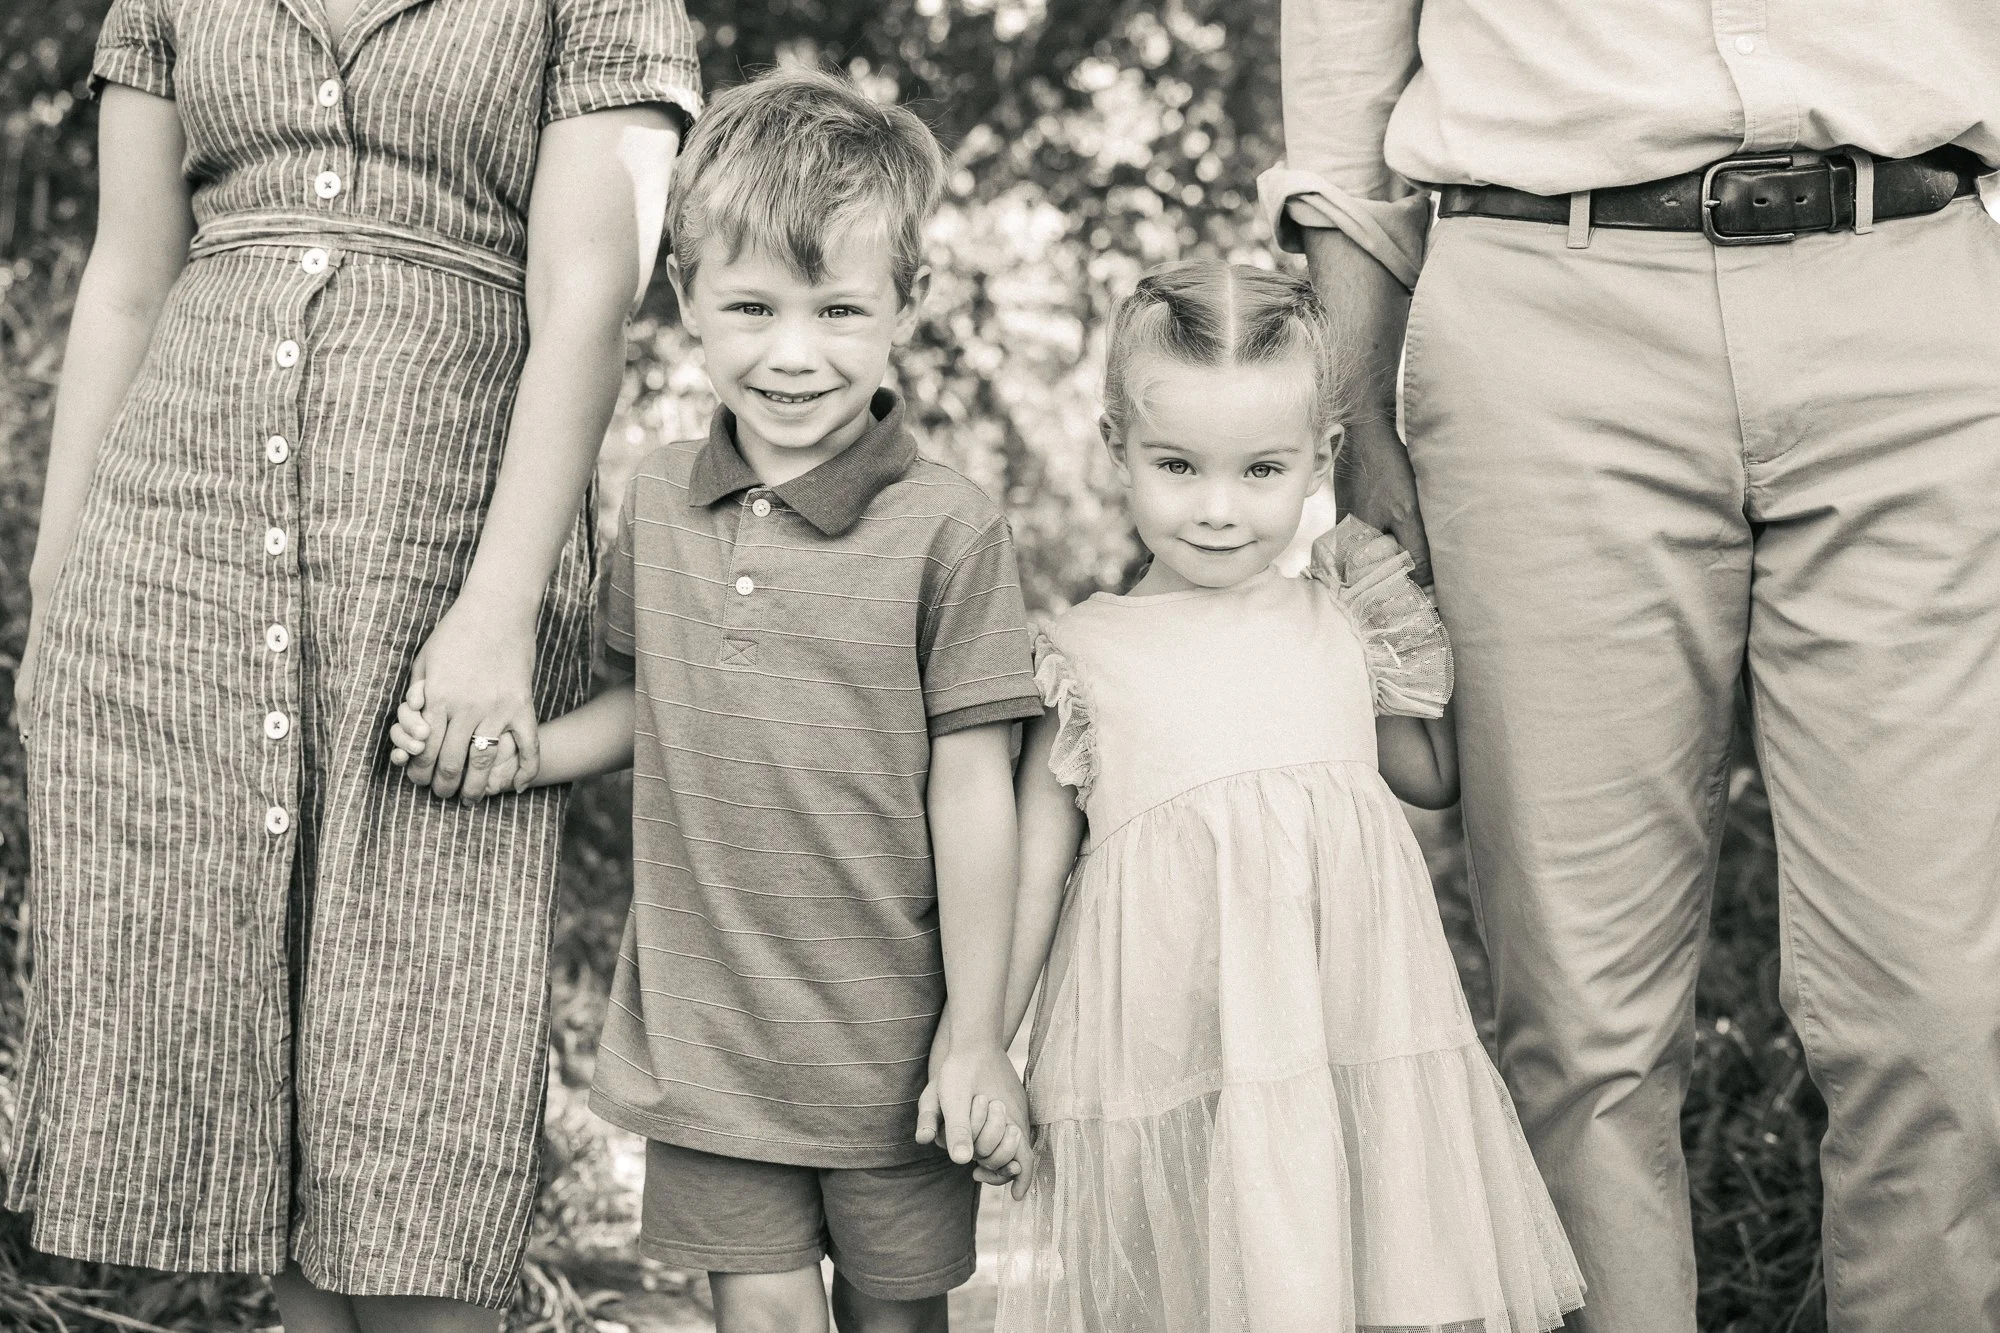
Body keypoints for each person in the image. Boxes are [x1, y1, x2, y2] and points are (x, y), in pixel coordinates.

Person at [1261, 4, 2000, 1330]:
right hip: (1547, 307)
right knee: (1580, 1025)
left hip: (1917, 297)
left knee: (1941, 1017)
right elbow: (1339, 79)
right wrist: (1354, 407)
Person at [8, 0, 699, 1327]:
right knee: (250, 1117)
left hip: (440, 553)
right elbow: (128, 278)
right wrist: (60, 586)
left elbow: (587, 296)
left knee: (422, 1068)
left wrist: (499, 611)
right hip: (174, 549)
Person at [393, 67, 1041, 1333]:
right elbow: (654, 704)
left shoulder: (949, 531)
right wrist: (514, 755)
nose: (791, 354)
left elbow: (976, 791)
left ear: (905, 305)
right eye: (750, 306)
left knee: (896, 1315)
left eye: (838, 310)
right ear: (686, 297)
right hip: (710, 1034)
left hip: (888, 1043)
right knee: (763, 1317)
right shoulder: (656, 499)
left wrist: (976, 1033)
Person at [982, 260, 1582, 1333]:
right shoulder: (1082, 657)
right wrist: (985, 1039)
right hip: (1173, 1063)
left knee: (1372, 1278)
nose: (1218, 510)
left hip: (1345, 1035)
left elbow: (1439, 776)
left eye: (1261, 470)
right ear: (1113, 446)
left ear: (1321, 462)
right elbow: (1033, 868)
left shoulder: (1347, 618)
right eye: (1176, 465)